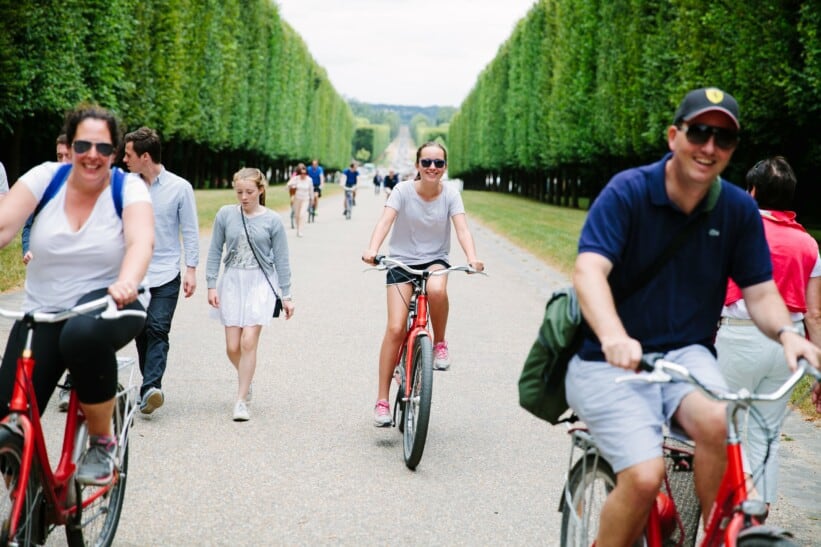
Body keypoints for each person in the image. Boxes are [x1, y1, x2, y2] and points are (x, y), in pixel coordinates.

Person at [565, 87, 821, 546]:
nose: (709, 147)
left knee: (720, 425)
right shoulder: (628, 192)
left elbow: (761, 293)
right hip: (608, 360)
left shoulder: (739, 210)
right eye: (699, 132)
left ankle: (719, 535)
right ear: (673, 135)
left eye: (723, 139)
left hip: (686, 356)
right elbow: (589, 270)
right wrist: (613, 335)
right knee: (644, 478)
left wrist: (788, 332)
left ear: (732, 150)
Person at [0, 103, 154, 485]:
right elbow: (3, 226)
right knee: (6, 418)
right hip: (44, 312)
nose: (92, 155)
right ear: (70, 145)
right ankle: (27, 511)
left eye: (103, 148)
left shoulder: (127, 187)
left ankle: (102, 443)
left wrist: (128, 279)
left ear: (115, 153)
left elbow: (141, 241)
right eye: (83, 145)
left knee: (81, 335)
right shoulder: (45, 179)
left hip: (112, 302)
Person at [715, 156, 821, 506]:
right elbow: (815, 315)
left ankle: (743, 499)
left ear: (753, 191)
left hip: (739, 338)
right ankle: (758, 518)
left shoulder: (738, 228)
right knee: (767, 436)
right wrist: (818, 371)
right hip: (786, 349)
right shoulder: (809, 244)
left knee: (722, 429)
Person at [361, 142, 484, 427]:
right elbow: (385, 221)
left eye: (438, 163)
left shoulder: (451, 195)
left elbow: (462, 228)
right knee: (394, 327)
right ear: (417, 165)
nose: (432, 168)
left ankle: (439, 342)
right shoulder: (402, 191)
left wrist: (472, 258)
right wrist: (372, 248)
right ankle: (382, 400)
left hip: (435, 261)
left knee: (438, 290)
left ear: (445, 168)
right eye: (426, 162)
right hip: (401, 261)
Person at [206, 167, 294, 421]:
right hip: (232, 281)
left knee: (248, 342)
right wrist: (212, 284)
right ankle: (247, 378)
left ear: (260, 190)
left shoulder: (272, 220)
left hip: (259, 283)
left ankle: (241, 400)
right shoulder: (225, 215)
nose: (244, 197)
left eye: (249, 192)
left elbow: (281, 260)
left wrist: (286, 295)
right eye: (239, 192)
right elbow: (214, 251)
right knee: (232, 346)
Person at [123, 126, 200, 415]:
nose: (123, 159)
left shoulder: (180, 188)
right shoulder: (124, 185)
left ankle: (151, 387)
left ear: (145, 156)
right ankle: (149, 385)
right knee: (141, 331)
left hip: (167, 271)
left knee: (158, 327)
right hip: (134, 271)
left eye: (128, 154)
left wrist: (191, 270)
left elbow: (191, 231)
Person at [23, 134, 72, 266]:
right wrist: (27, 250)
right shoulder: (45, 184)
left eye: (68, 156)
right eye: (59, 156)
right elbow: (28, 225)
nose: (63, 161)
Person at [287, 163, 312, 237]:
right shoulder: (296, 178)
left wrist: (312, 199)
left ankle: (300, 230)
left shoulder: (309, 180)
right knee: (297, 215)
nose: (303, 174)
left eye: (304, 173)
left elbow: (311, 190)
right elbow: (288, 185)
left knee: (302, 214)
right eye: (301, 173)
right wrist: (292, 186)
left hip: (305, 199)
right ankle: (298, 228)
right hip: (297, 199)